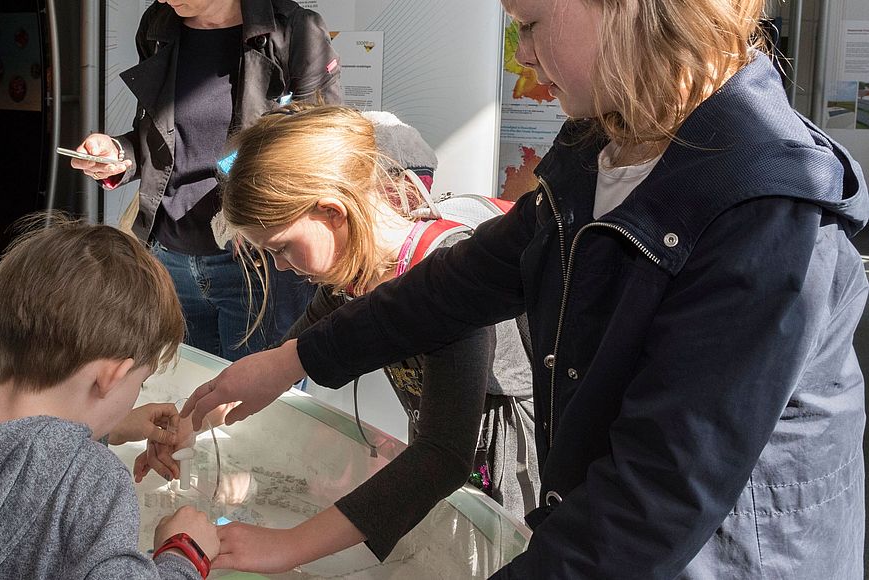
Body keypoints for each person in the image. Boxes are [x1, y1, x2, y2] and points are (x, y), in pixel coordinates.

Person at [182, 0, 869, 577]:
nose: (523, 58)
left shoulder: (762, 211)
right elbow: (464, 282)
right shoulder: (594, 144)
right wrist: (293, 361)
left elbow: (654, 499)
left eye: (531, 24)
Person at [139, 105, 540, 572]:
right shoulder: (351, 279)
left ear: (333, 212)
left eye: (283, 248)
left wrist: (288, 545)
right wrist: (191, 426)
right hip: (438, 466)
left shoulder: (448, 267)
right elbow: (274, 372)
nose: (284, 266)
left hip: (509, 466)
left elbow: (444, 455)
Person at [0, 217, 220, 579]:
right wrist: (185, 554)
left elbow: (2, 462)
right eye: (138, 383)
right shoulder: (93, 481)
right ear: (112, 376)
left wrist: (110, 429)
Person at [69, 0, 342, 361]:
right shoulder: (159, 24)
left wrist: (242, 186)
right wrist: (119, 154)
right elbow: (163, 139)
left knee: (252, 411)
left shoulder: (294, 31)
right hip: (169, 260)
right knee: (184, 399)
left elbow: (324, 148)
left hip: (256, 267)